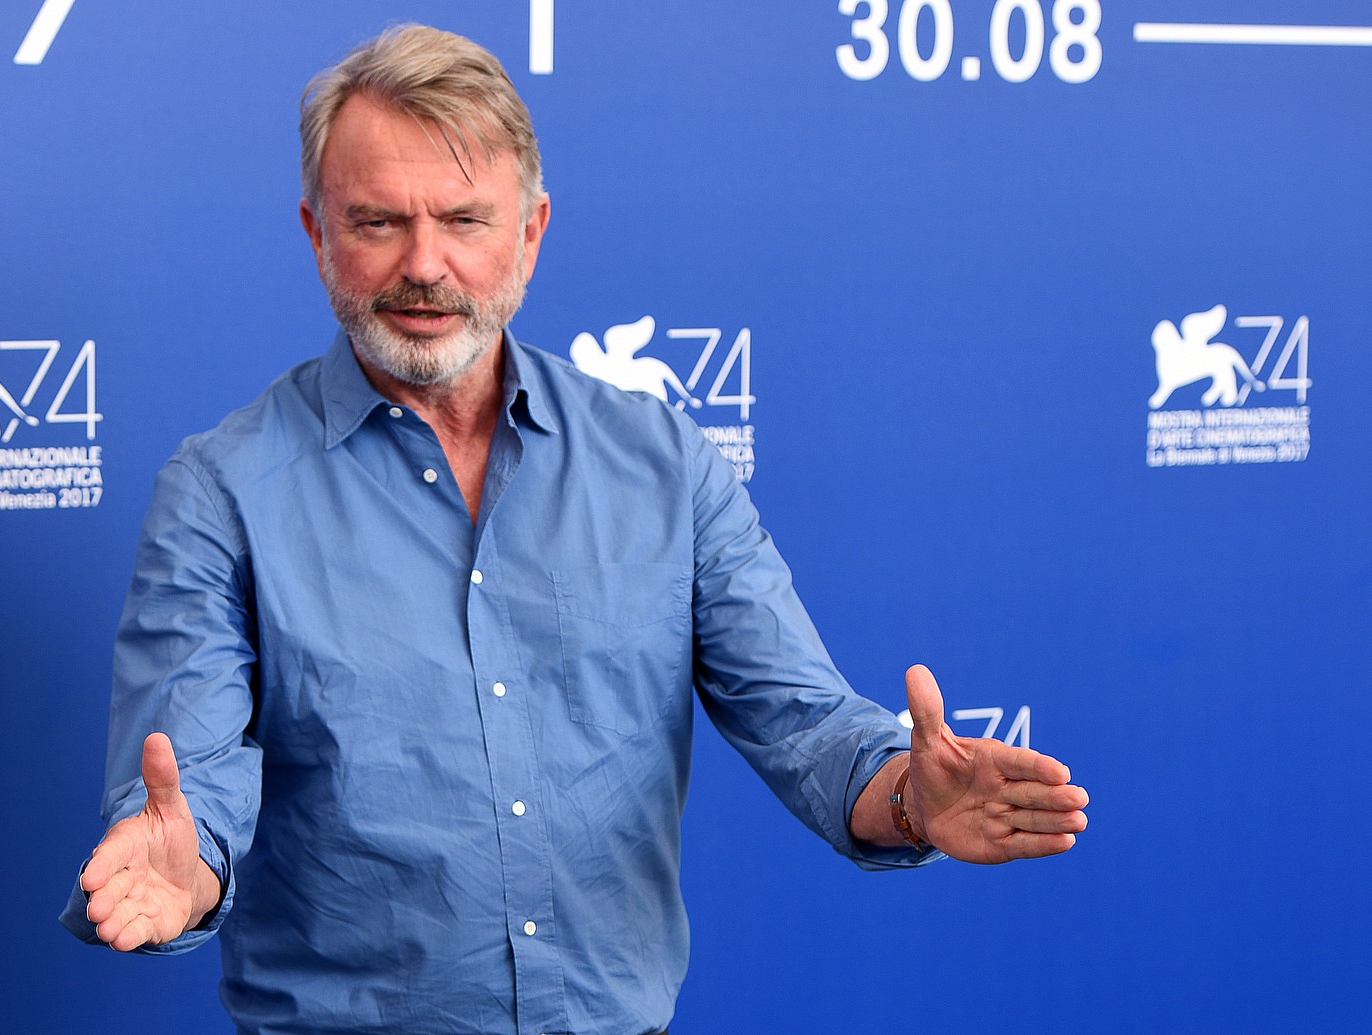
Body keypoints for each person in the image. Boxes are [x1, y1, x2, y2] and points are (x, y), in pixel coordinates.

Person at [61, 24, 1088, 1035]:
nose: (423, 265)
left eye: (463, 219)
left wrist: (909, 795)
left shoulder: (664, 464)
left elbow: (804, 723)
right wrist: (183, 872)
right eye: (377, 222)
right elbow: (188, 783)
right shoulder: (221, 492)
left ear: (531, 231)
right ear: (314, 231)